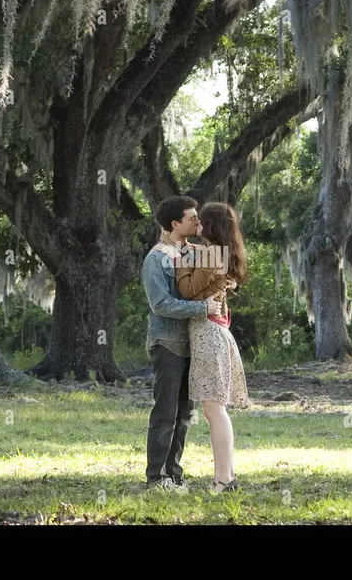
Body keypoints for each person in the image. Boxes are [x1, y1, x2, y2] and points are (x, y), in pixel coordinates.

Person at [141, 196, 223, 490]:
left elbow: (206, 283)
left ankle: (174, 474)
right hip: (168, 343)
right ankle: (157, 477)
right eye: (192, 219)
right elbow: (160, 304)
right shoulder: (156, 259)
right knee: (166, 411)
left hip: (194, 343)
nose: (198, 223)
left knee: (185, 412)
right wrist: (203, 309)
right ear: (175, 224)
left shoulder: (195, 252)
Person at [176, 202, 249, 493]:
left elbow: (187, 291)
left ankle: (224, 478)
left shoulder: (209, 253)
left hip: (208, 334)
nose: (197, 227)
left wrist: (182, 259)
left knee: (214, 409)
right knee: (214, 409)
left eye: (201, 222)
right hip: (214, 331)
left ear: (211, 225)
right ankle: (224, 475)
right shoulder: (221, 252)